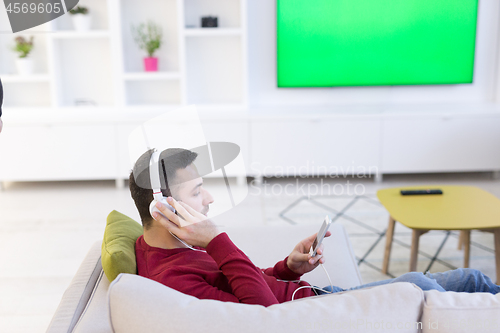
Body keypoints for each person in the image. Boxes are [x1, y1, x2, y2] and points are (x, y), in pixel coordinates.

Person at [129, 148, 500, 307]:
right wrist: (216, 240)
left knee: (470, 279)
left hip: (312, 294)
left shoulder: (167, 246)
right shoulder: (171, 278)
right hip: (320, 311)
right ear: (163, 208)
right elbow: (263, 315)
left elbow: (243, 284)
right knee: (419, 287)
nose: (208, 200)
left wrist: (286, 269)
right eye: (196, 192)